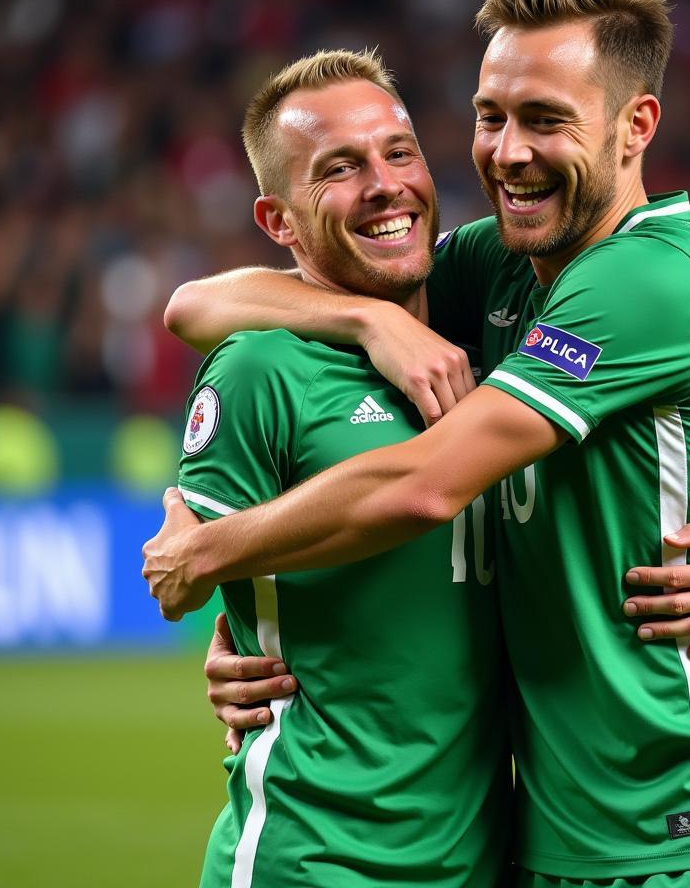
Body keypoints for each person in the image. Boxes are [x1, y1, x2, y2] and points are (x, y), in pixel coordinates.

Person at [146, 0, 690, 885]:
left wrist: (217, 552)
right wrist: (367, 317)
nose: (508, 152)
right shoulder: (509, 267)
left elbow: (428, 482)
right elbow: (197, 305)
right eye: (491, 116)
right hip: (559, 836)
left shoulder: (646, 281)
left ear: (636, 127)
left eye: (547, 120)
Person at [175, 49, 511, 887]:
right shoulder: (259, 372)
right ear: (279, 222)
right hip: (317, 858)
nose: (385, 183)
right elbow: (185, 564)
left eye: (398, 152)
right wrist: (367, 318)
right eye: (339, 168)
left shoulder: (496, 336)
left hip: (490, 858)